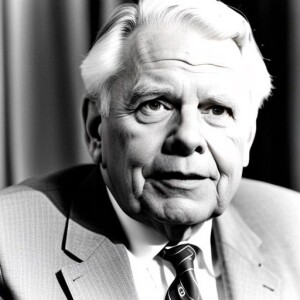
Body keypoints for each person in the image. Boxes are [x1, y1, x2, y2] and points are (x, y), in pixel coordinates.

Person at [0, 0, 299, 299]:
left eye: (217, 110)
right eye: (155, 105)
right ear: (96, 130)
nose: (188, 137)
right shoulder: (8, 248)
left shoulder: (293, 228)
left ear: (247, 139)